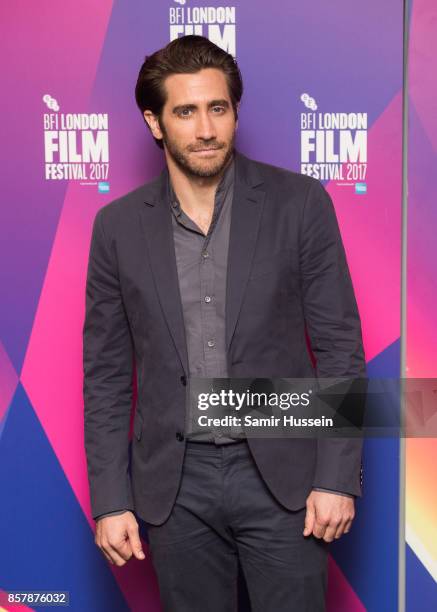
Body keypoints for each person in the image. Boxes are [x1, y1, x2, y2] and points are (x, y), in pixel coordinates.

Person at [83, 35, 365, 611]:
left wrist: (336, 478)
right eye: (185, 111)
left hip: (284, 480)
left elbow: (340, 349)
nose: (206, 129)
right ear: (155, 122)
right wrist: (111, 500)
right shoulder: (116, 228)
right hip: (174, 488)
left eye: (218, 108)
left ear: (236, 112)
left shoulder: (300, 204)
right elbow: (107, 376)